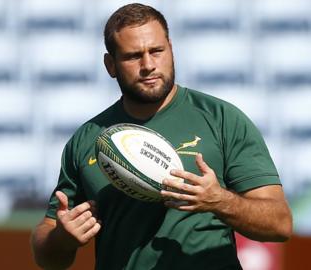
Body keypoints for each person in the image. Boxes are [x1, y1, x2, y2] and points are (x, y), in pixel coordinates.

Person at [31, 3, 292, 270]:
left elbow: (280, 224)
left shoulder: (220, 118)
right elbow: (47, 253)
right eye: (133, 56)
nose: (148, 65)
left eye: (157, 51)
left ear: (171, 51)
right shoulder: (88, 139)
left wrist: (220, 200)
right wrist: (61, 238)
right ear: (111, 65)